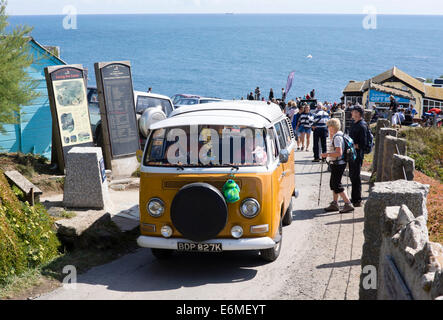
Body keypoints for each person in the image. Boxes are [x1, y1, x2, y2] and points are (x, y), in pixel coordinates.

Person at [321, 119, 355, 213]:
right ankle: (335, 203)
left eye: (329, 126)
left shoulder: (337, 138)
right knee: (334, 183)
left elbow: (338, 153)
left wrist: (326, 155)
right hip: (340, 163)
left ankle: (348, 203)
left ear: (332, 127)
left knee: (336, 184)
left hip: (338, 163)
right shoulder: (341, 134)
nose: (328, 128)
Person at [348, 105, 367, 207]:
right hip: (352, 153)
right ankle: (354, 198)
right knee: (352, 176)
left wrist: (352, 145)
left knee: (356, 176)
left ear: (358, 113)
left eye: (354, 111)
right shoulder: (354, 123)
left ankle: (357, 200)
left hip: (357, 154)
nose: (352, 113)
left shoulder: (362, 126)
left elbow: (363, 144)